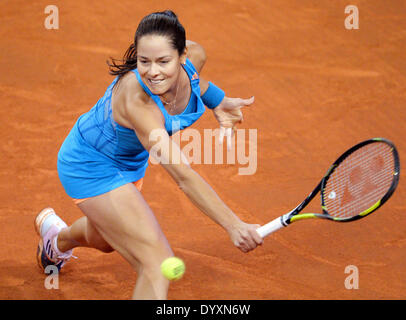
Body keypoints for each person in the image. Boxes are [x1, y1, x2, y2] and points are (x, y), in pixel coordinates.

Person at [35, 10, 263, 300]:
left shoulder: (195, 56)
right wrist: (233, 225)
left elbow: (193, 82)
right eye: (144, 61)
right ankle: (59, 239)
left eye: (163, 61)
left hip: (129, 165)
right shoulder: (138, 102)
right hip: (89, 165)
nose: (153, 72)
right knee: (156, 264)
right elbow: (183, 175)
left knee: (105, 240)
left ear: (182, 56)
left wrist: (217, 99)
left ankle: (57, 239)